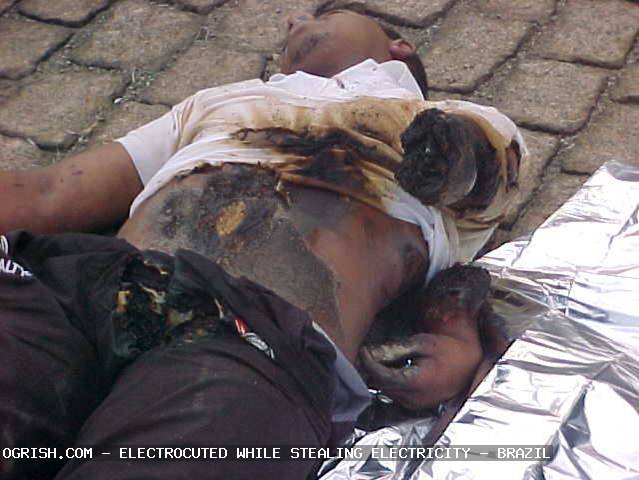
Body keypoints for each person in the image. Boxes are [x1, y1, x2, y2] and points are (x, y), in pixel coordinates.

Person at [0, 2, 527, 478]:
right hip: (89, 289)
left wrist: (441, 151)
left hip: (254, 338)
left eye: (323, 12)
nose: (294, 20)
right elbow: (49, 194)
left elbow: (474, 172)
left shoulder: (460, 120)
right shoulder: (219, 101)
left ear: (400, 46)